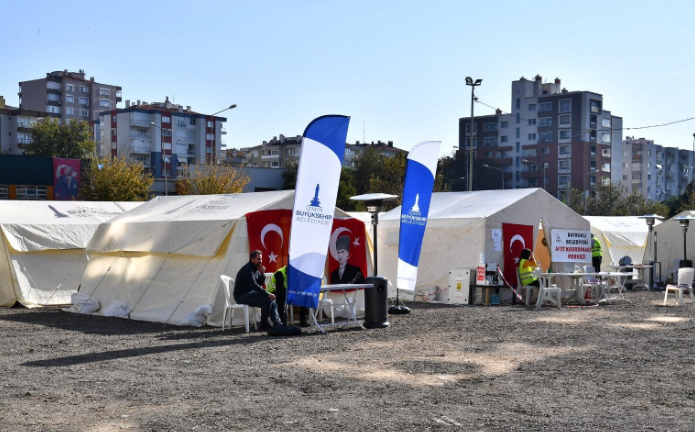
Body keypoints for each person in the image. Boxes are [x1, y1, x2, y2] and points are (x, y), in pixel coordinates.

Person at [234, 250, 282, 330]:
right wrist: (267, 294)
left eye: (261, 259)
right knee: (267, 299)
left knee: (270, 300)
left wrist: (262, 274)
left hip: (250, 294)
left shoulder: (255, 268)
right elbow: (254, 286)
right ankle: (264, 324)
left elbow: (260, 283)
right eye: (258, 259)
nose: (260, 261)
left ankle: (277, 323)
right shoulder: (247, 269)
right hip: (241, 296)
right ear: (252, 259)